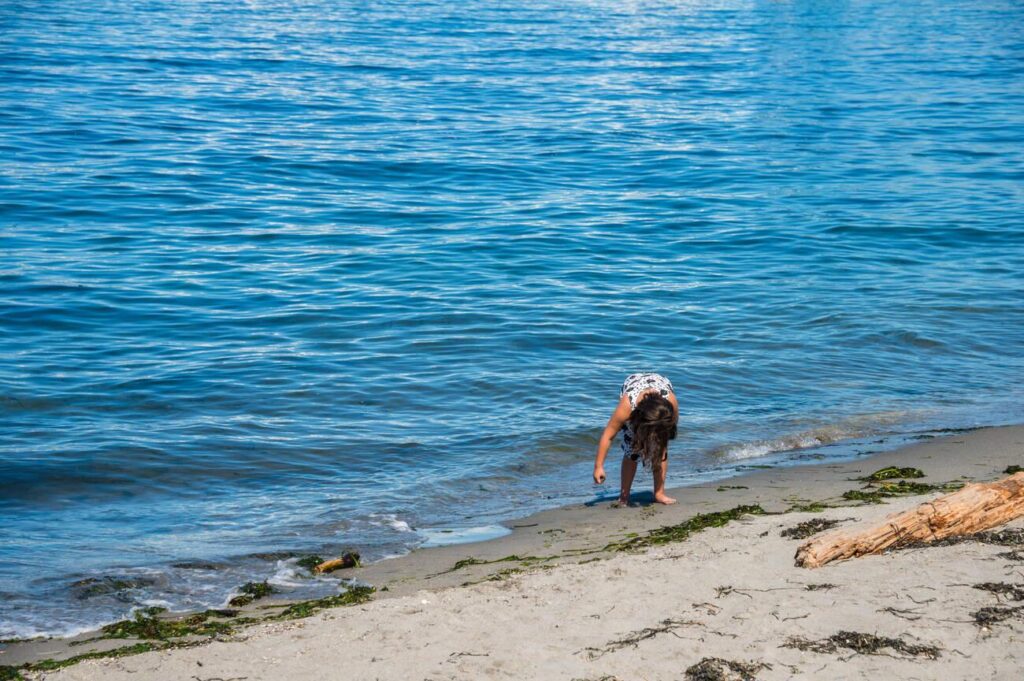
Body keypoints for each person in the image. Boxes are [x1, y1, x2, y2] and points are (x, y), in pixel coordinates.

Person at [593, 372, 679, 505]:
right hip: (632, 386)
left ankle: (659, 493)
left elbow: (672, 425)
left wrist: (660, 439)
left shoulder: (670, 401)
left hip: (658, 382)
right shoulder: (627, 406)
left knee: (660, 449)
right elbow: (608, 436)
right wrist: (599, 466)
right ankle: (624, 496)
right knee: (632, 450)